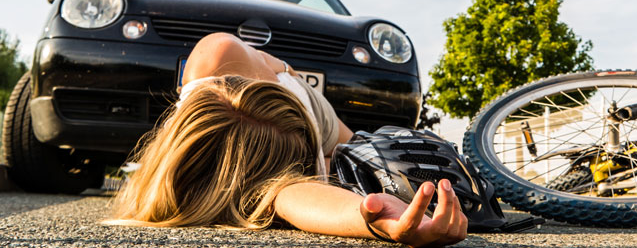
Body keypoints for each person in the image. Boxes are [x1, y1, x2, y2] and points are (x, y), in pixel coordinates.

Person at [105, 32, 467, 247]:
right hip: (303, 128)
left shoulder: (217, 56)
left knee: (357, 150)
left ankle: (330, 161)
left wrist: (282, 71)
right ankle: (329, 163)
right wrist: (373, 217)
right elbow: (290, 196)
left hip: (299, 106)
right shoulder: (277, 186)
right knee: (361, 157)